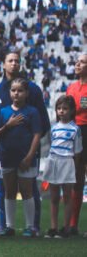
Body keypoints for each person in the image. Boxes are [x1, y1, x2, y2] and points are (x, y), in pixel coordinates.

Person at [0, 50, 50, 234]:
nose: (14, 63)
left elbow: (42, 126)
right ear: (3, 64)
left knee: (29, 189)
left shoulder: (33, 91)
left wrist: (30, 152)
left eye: (17, 60)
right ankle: (6, 226)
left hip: (27, 154)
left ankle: (33, 226)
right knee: (5, 190)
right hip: (5, 154)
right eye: (10, 60)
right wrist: (7, 130)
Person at [44, 95, 81, 238]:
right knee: (54, 197)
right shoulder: (53, 128)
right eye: (59, 108)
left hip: (67, 162)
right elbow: (51, 144)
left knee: (67, 197)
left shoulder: (75, 129)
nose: (61, 111)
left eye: (65, 108)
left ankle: (66, 228)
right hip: (54, 161)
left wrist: (74, 168)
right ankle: (53, 227)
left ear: (72, 111)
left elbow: (77, 151)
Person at [64, 52, 87, 233]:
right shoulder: (71, 87)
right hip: (74, 132)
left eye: (82, 62)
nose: (77, 64)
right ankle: (73, 225)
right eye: (77, 61)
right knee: (76, 179)